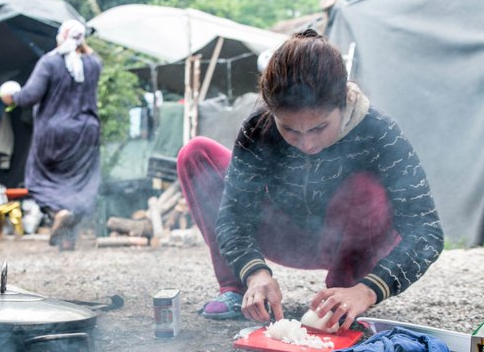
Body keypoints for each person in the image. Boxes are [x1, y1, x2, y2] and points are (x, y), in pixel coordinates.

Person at [177, 29, 443, 330]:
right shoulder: (259, 128)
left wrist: (368, 289)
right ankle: (237, 289)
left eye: (319, 128)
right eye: (289, 129)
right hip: (282, 232)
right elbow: (233, 215)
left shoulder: (378, 132)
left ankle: (342, 295)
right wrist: (255, 273)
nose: (307, 144)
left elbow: (426, 231)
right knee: (196, 153)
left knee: (366, 189)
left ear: (343, 102)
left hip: (344, 241)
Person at [1, 19, 102, 248]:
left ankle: (60, 211)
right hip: (86, 132)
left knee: (38, 180)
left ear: (61, 37)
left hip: (54, 133)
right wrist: (82, 43)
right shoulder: (93, 64)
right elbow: (92, 55)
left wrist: (10, 98)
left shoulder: (50, 62)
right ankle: (68, 239)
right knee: (79, 183)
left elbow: (29, 96)